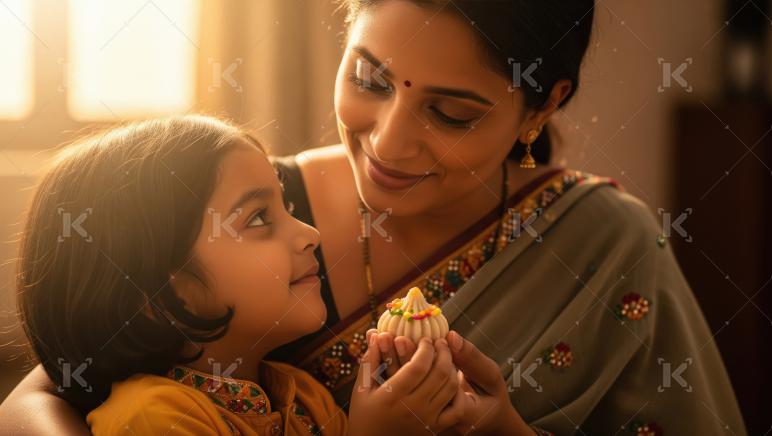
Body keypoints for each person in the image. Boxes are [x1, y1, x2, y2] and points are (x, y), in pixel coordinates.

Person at [1, 1, 747, 434]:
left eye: (451, 113)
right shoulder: (249, 205)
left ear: (541, 107)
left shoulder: (603, 241)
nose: (387, 142)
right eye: (369, 79)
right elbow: (44, 395)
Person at [12, 115, 478, 435]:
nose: (309, 233)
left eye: (288, 207)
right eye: (258, 218)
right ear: (158, 294)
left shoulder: (303, 398)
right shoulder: (153, 417)